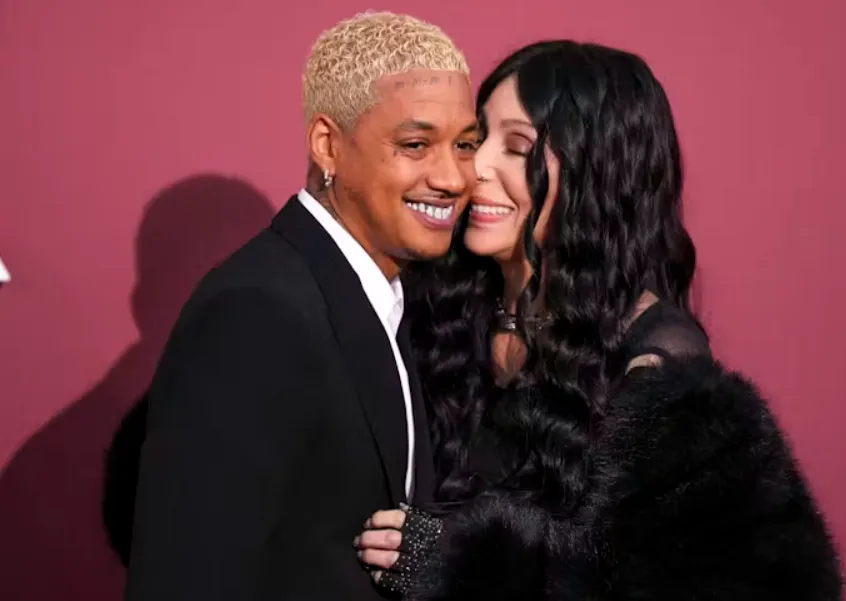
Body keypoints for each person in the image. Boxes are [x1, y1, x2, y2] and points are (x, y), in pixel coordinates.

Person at [354, 40, 842, 600]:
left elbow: (671, 585)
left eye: (518, 147)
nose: (474, 167)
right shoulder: (431, 307)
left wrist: (464, 566)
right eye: (476, 138)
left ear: (597, 175)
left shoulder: (659, 361)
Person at [125, 12, 479, 601]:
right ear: (327, 145)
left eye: (465, 144)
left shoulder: (380, 293)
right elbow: (186, 577)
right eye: (415, 145)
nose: (451, 177)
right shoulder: (255, 314)